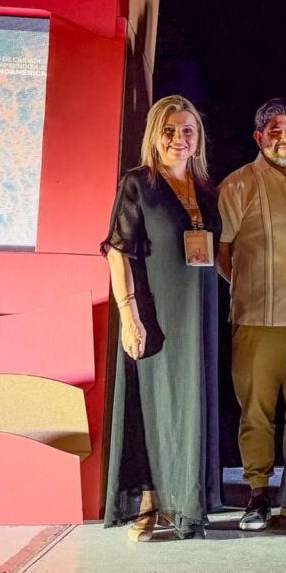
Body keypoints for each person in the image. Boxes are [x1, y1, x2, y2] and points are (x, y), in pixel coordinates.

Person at [101, 94, 221, 541]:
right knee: (152, 404)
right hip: (155, 310)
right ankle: (149, 502)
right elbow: (117, 251)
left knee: (189, 403)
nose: (179, 139)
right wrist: (129, 315)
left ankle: (186, 503)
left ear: (198, 139)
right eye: (169, 130)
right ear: (155, 135)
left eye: (188, 130)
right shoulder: (138, 184)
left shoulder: (207, 190)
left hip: (198, 316)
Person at [216, 98, 286, 531]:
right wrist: (249, 285)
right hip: (257, 319)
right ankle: (258, 494)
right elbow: (222, 252)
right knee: (257, 412)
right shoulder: (237, 184)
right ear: (259, 137)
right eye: (276, 132)